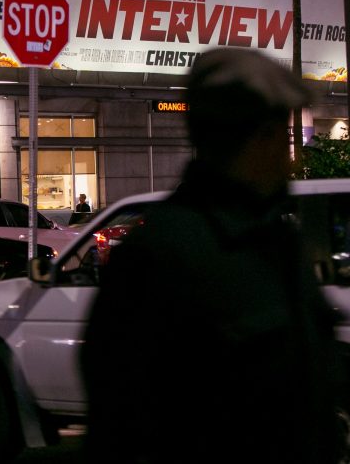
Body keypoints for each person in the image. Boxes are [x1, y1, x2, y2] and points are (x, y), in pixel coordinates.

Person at [80, 48, 345, 464]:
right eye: (280, 136)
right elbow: (125, 428)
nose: (290, 159)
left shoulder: (278, 240)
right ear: (252, 140)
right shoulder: (159, 258)